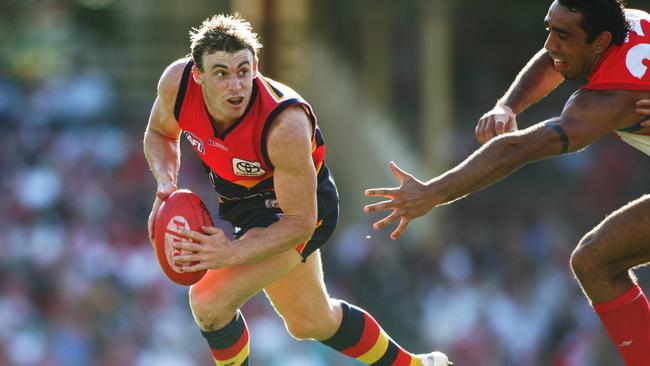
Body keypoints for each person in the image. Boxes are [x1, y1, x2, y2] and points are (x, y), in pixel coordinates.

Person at [143, 14, 450, 366]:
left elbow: (300, 223)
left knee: (208, 301)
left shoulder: (284, 125)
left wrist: (230, 253)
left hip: (298, 211)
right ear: (197, 75)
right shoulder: (177, 85)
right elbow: (159, 134)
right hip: (245, 204)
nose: (236, 86)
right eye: (221, 74)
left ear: (256, 66)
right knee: (311, 322)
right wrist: (165, 185)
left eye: (243, 71)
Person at [364, 1, 650, 365]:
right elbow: (552, 60)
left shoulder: (607, 100)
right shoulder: (627, 26)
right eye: (550, 29)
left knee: (595, 261)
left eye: (562, 35)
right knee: (594, 260)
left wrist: (432, 192)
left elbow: (516, 150)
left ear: (600, 41)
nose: (550, 44)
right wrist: (508, 106)